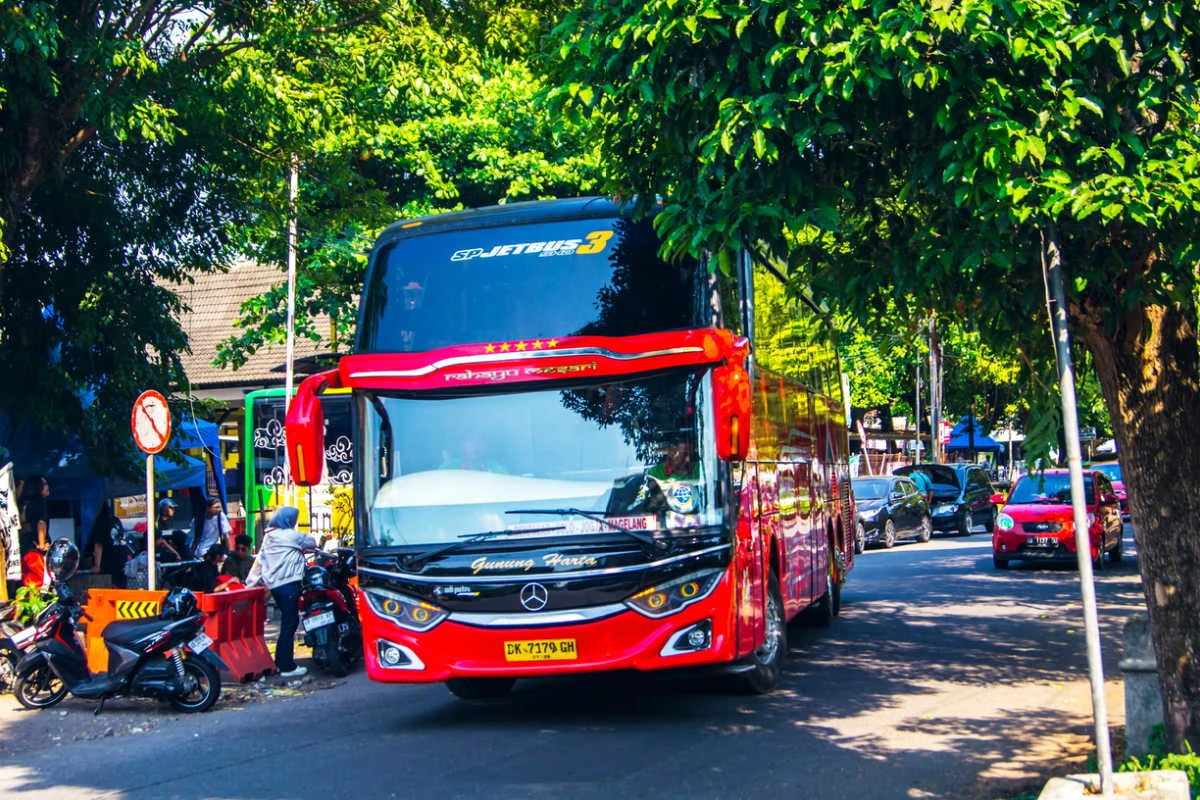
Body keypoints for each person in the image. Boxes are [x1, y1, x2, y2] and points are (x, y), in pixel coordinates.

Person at [244, 506, 316, 679]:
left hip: (275, 587)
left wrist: (250, 584)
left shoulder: (268, 537)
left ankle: (281, 661)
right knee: (290, 624)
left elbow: (260, 562)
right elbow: (312, 543)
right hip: (289, 584)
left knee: (287, 622)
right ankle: (286, 665)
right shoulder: (290, 535)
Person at [88, 501, 130, 588]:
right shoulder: (116, 520)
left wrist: (97, 566)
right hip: (122, 558)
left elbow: (98, 545)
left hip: (110, 561)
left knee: (111, 587)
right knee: (121, 587)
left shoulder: (100, 522)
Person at [18, 476, 50, 588]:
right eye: (44, 484)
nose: (47, 486)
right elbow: (41, 522)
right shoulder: (40, 502)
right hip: (35, 548)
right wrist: (41, 543)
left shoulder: (23, 503)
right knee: (39, 580)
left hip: (24, 547)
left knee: (27, 579)